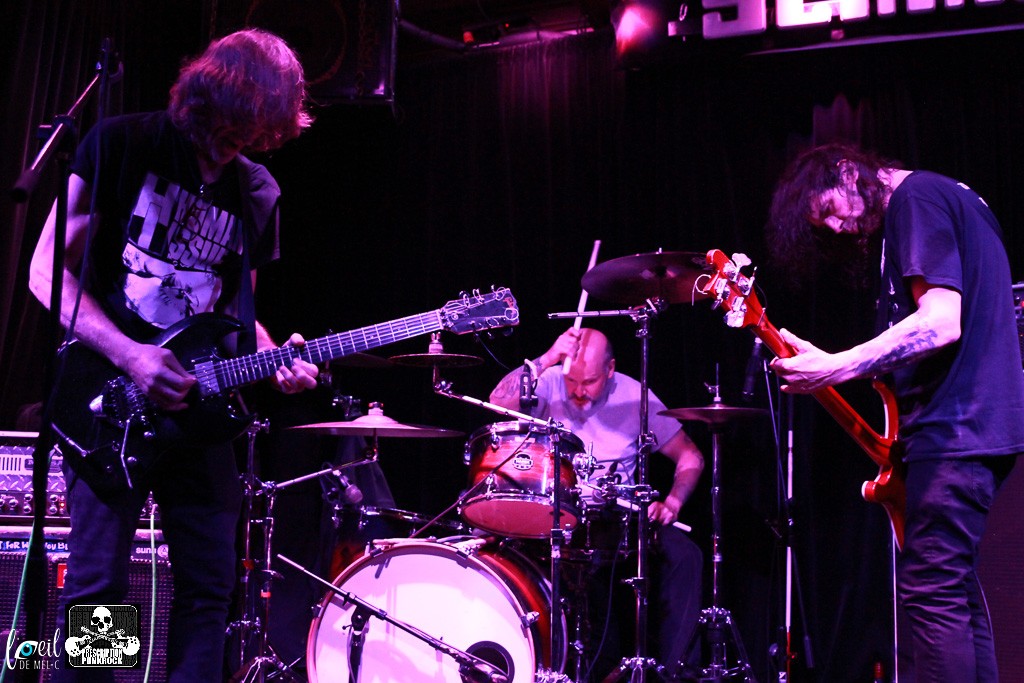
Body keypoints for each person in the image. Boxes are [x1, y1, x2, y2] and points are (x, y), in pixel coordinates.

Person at [28, 29, 319, 681]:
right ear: (217, 95)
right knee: (99, 591)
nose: (250, 141)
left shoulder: (258, 192)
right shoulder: (122, 143)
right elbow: (46, 269)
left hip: (200, 414)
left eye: (263, 131)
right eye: (244, 124)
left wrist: (275, 356)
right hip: (107, 400)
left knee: (210, 591)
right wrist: (131, 355)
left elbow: (236, 312)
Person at [765, 142, 1024, 683]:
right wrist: (838, 364)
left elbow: (941, 323)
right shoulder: (943, 197)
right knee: (953, 590)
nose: (835, 227)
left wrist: (837, 365)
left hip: (957, 430)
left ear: (846, 172)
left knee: (932, 592)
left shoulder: (915, 199)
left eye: (829, 209)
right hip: (975, 427)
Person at [489, 327, 705, 680]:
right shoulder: (549, 381)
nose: (578, 391)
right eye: (572, 380)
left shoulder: (636, 396)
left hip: (619, 518)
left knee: (685, 556)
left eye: (589, 382)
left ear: (610, 369)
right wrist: (547, 359)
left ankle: (677, 673)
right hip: (555, 515)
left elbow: (690, 456)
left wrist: (673, 502)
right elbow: (498, 403)